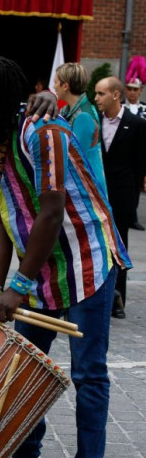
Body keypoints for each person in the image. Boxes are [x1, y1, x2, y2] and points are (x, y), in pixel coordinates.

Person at [0, 54, 131, 458]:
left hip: (85, 260)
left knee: (88, 373)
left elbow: (52, 213)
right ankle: (27, 455)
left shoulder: (42, 130)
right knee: (22, 364)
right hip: (36, 270)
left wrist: (18, 284)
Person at [94, 76, 146, 319]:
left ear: (115, 95)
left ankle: (117, 297)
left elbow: (139, 165)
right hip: (98, 196)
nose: (96, 99)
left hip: (122, 196)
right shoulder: (94, 121)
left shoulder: (135, 124)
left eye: (101, 94)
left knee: (119, 246)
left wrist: (132, 200)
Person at [53, 63, 106, 192]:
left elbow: (74, 159)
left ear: (65, 86)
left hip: (89, 188)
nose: (54, 86)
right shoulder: (67, 110)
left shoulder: (83, 116)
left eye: (56, 82)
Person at [123, 77, 146, 231]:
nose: (132, 92)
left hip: (141, 151)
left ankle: (132, 216)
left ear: (140, 91)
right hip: (123, 150)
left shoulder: (144, 109)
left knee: (137, 183)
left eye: (135, 89)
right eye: (129, 89)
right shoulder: (119, 107)